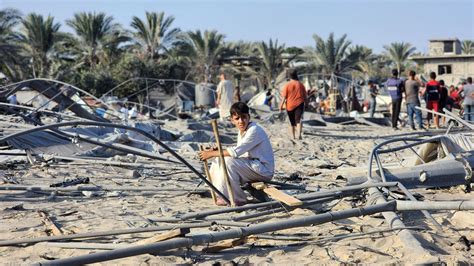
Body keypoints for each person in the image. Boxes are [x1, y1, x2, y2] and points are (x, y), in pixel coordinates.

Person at [198, 102, 274, 206]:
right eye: (237, 118)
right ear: (232, 120)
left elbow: (236, 152)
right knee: (219, 159)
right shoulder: (242, 131)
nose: (241, 121)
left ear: (249, 117)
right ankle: (220, 192)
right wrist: (216, 152)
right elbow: (238, 153)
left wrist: (213, 153)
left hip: (263, 170)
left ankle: (238, 198)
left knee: (229, 162)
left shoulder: (254, 130)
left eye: (244, 117)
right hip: (253, 165)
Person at [280, 69, 307, 140]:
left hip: (289, 106)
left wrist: (280, 106)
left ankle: (293, 136)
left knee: (292, 122)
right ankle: (299, 135)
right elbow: (305, 96)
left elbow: (284, 97)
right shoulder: (301, 85)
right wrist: (306, 104)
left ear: (289, 76)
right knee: (298, 120)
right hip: (299, 104)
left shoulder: (287, 85)